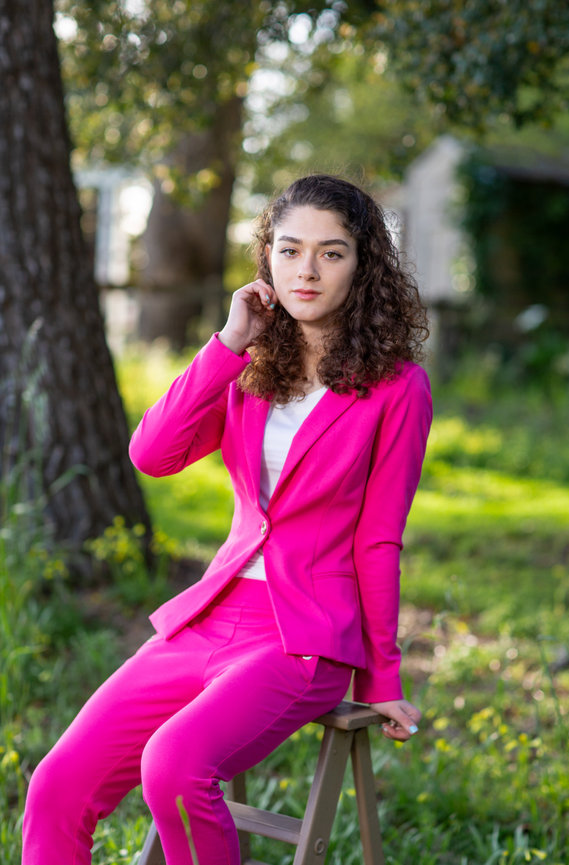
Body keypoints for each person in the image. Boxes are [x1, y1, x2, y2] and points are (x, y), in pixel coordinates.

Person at [22, 174, 432, 865]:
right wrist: (226, 344)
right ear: (267, 257)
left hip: (304, 635)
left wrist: (382, 678)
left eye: (331, 253)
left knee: (174, 765)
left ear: (363, 266)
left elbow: (378, 535)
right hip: (208, 617)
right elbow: (151, 454)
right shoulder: (248, 366)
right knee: (56, 786)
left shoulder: (395, 386)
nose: (306, 269)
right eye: (290, 249)